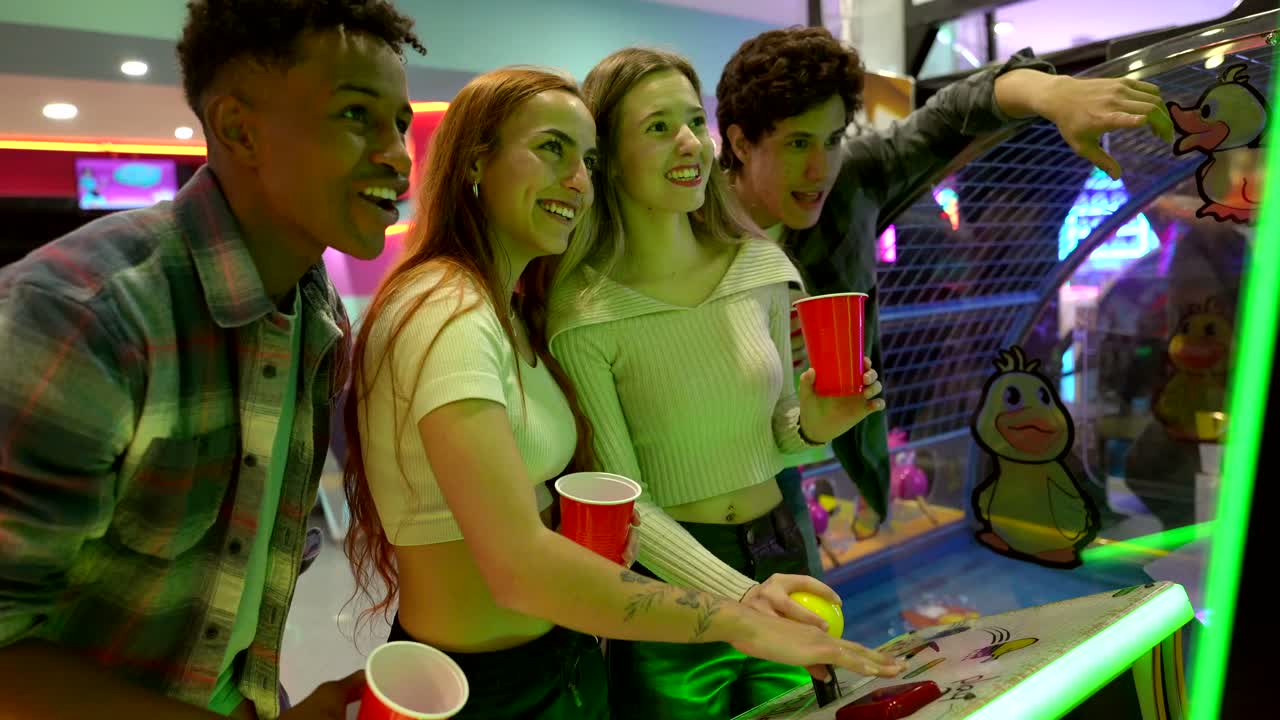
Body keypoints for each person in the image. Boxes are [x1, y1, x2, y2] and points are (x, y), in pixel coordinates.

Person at [342, 66, 904, 720]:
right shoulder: (449, 311)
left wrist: (742, 589)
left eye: (585, 158)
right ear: (475, 161)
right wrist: (735, 615)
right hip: (476, 686)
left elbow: (579, 503)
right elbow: (517, 563)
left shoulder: (512, 312)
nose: (576, 179)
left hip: (570, 657)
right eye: (552, 148)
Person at [0, 2, 425, 719]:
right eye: (357, 115)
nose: (397, 155)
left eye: (402, 124)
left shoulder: (315, 311)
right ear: (237, 128)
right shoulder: (83, 316)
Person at [715, 26, 1175, 544]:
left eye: (833, 139)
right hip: (720, 475)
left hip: (828, 466)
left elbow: (948, 117)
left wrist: (1053, 94)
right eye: (798, 143)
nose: (821, 168)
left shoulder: (850, 181)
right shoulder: (685, 221)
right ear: (739, 142)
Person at [547, 47, 896, 719]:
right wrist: (737, 599)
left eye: (691, 119)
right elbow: (627, 508)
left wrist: (818, 423)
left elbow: (781, 434)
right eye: (657, 127)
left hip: (780, 550)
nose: (690, 143)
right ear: (608, 157)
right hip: (669, 592)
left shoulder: (761, 267)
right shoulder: (582, 316)